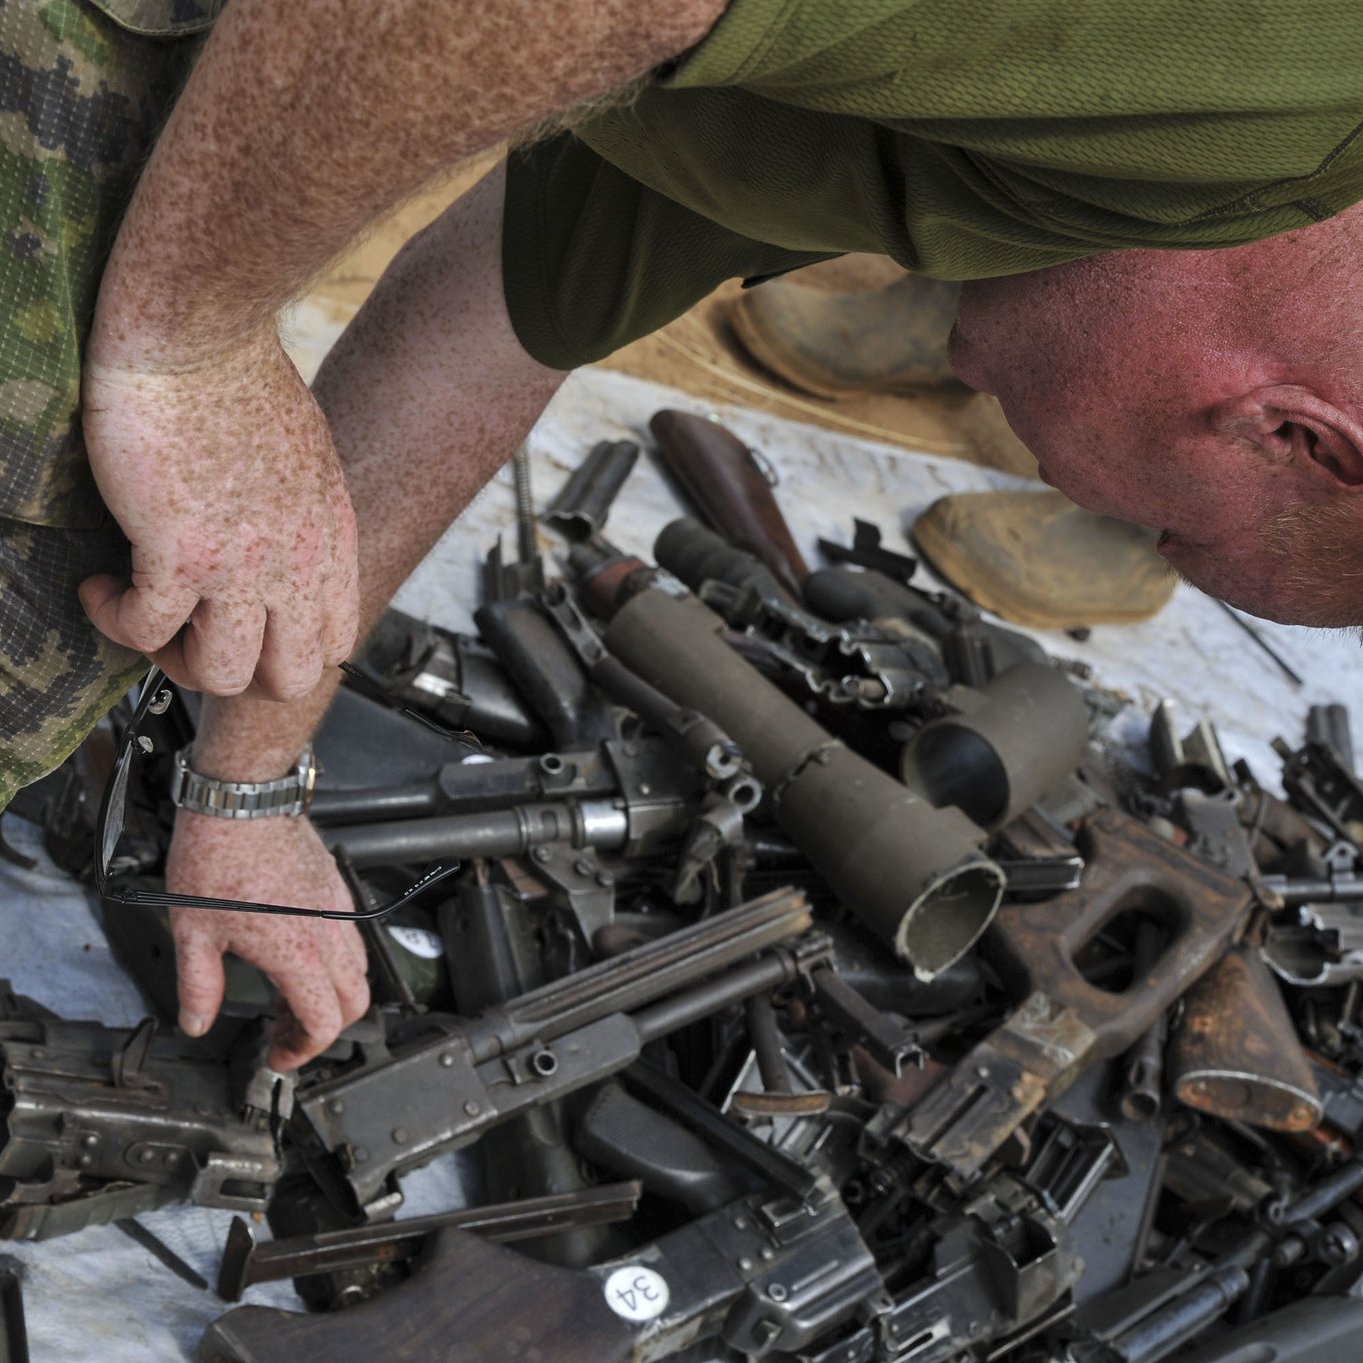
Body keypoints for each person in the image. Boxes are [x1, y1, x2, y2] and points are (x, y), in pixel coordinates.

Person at [4, 0, 1363, 1068]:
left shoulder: (1057, 134)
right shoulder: (1278, 75)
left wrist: (247, 783)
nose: (1099, 517)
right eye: (1168, 529)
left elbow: (496, 311)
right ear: (1293, 432)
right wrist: (197, 342)